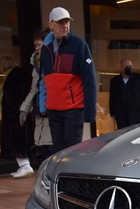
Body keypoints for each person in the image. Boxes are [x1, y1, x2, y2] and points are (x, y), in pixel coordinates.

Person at [39, 7, 97, 154]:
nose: (64, 25)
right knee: (57, 151)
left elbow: (89, 80)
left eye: (67, 22)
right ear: (51, 24)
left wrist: (90, 113)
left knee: (72, 151)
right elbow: (43, 80)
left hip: (73, 109)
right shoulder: (45, 49)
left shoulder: (79, 45)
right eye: (60, 23)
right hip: (53, 110)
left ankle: (72, 177)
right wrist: (42, 106)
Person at [0, 56, 35, 178]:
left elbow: (10, 97)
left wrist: (12, 112)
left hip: (15, 115)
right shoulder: (21, 74)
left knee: (17, 140)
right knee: (22, 139)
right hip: (23, 112)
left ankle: (25, 165)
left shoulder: (12, 77)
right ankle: (24, 165)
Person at [19, 29, 52, 158]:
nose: (37, 48)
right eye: (36, 45)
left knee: (53, 153)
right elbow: (34, 89)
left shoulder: (53, 63)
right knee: (45, 153)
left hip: (52, 113)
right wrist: (25, 109)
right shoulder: (36, 65)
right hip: (41, 114)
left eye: (40, 45)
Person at [109, 59, 140, 129]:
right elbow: (112, 97)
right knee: (123, 132)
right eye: (126, 66)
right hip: (121, 113)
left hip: (137, 112)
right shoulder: (115, 81)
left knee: (138, 132)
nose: (129, 68)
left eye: (130, 66)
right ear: (121, 68)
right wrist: (113, 112)